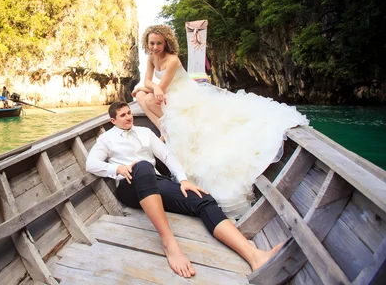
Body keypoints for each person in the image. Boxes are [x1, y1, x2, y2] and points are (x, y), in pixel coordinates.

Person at [86, 102, 284, 279]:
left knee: (203, 198)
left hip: (155, 183)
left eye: (129, 113)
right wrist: (116, 169)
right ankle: (169, 244)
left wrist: (183, 180)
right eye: (123, 115)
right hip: (129, 187)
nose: (128, 117)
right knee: (143, 166)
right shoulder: (106, 140)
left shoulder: (145, 133)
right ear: (113, 120)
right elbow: (91, 164)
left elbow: (167, 155)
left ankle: (255, 256)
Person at [132, 24, 309, 217]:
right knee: (141, 96)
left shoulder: (172, 60)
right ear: (147, 43)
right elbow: (148, 80)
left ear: (166, 42)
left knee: (145, 97)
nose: (155, 47)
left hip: (183, 96)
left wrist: (151, 88)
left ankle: (164, 130)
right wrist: (149, 87)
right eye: (152, 43)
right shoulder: (151, 58)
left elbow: (161, 88)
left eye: (159, 43)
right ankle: (163, 129)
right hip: (166, 95)